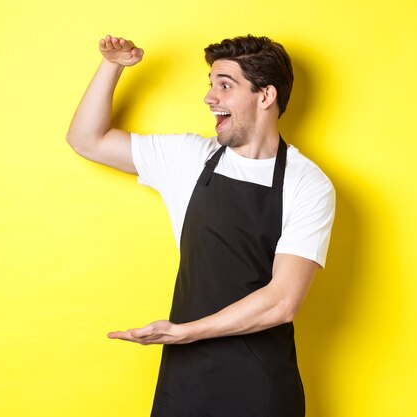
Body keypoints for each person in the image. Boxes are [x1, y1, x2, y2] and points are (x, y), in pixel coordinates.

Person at [66, 34, 335, 417]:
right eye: (210, 85)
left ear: (265, 96)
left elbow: (282, 302)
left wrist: (185, 332)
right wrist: (113, 66)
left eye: (225, 85)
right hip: (186, 379)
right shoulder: (190, 158)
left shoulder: (306, 183)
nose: (210, 97)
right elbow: (86, 140)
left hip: (261, 387)